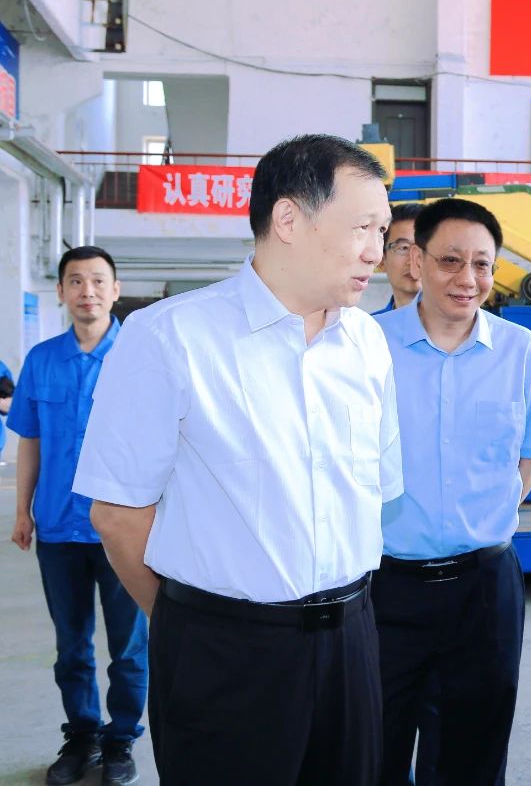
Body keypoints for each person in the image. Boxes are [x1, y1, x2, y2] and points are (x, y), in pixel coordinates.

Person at [72, 135, 404, 786]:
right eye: (363, 227)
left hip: (352, 639)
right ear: (289, 219)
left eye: (383, 231)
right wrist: (192, 625)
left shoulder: (366, 342)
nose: (378, 251)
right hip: (225, 652)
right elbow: (117, 515)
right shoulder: (171, 337)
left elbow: (377, 489)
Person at [373, 198, 531, 786]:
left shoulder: (519, 350)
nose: (467, 278)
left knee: (473, 758)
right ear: (417, 262)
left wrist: (483, 514)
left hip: (483, 589)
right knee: (372, 750)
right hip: (384, 587)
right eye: (450, 260)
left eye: (482, 264)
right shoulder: (366, 345)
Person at [7, 247, 146, 786]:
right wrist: (22, 510)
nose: (87, 291)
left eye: (98, 281)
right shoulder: (42, 360)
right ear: (62, 291)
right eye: (76, 281)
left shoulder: (139, 358)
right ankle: (83, 736)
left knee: (129, 648)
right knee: (71, 645)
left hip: (123, 530)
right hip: (59, 528)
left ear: (115, 290)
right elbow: (31, 441)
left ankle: (121, 740)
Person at [373, 202, 425, 314]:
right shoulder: (369, 324)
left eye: (423, 247)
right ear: (382, 260)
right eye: (403, 248)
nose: (412, 261)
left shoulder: (462, 323)